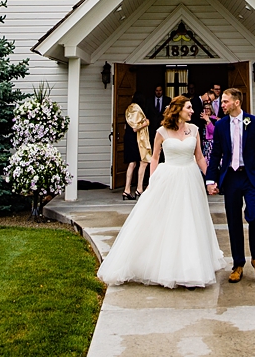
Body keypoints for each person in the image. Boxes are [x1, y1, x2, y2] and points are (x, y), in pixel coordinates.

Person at [96, 96, 226, 288]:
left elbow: (199, 157)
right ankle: (164, 265)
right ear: (178, 109)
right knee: (168, 220)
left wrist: (211, 179)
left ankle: (191, 267)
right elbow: (154, 158)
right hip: (169, 176)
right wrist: (153, 180)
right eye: (189, 108)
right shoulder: (161, 131)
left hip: (190, 178)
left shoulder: (195, 130)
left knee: (191, 220)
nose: (192, 111)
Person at [206, 88, 255, 284]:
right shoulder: (220, 125)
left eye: (225, 101)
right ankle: (238, 263)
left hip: (251, 177)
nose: (222, 104)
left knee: (254, 215)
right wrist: (211, 179)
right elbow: (215, 155)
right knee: (233, 220)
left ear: (236, 102)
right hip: (231, 178)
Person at [122, 101, 151, 200]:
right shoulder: (136, 110)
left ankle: (127, 190)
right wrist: (146, 123)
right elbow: (135, 127)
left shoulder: (128, 110)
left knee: (132, 163)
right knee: (143, 162)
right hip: (135, 139)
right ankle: (139, 188)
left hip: (128, 137)